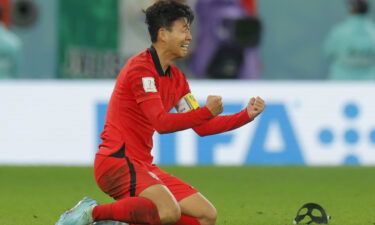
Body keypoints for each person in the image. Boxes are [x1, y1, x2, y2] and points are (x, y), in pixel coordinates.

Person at [55, 1, 265, 225]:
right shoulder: (140, 69)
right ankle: (92, 213)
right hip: (117, 161)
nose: (190, 37)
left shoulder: (177, 79)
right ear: (163, 34)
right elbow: (162, 123)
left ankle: (122, 220)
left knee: (206, 215)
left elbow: (203, 128)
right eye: (184, 30)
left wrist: (246, 115)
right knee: (167, 211)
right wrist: (206, 111)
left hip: (142, 164)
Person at [324, 0, 375, 80]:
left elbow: (328, 53)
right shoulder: (373, 31)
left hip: (341, 82)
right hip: (370, 85)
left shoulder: (339, 32)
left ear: (350, 10)